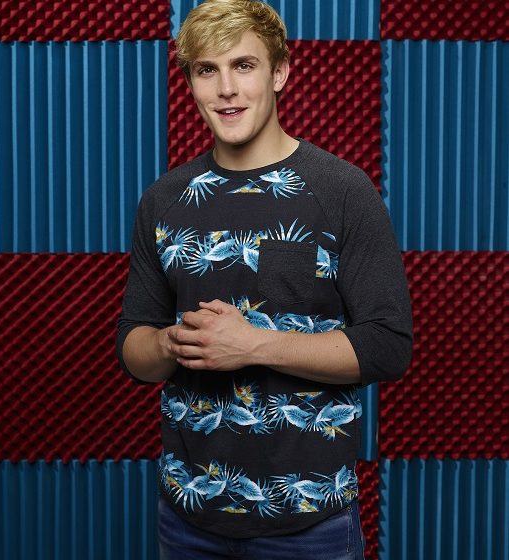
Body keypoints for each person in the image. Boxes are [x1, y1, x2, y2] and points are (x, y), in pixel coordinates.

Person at [116, 0, 412, 558]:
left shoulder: (343, 191)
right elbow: (134, 348)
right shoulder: (164, 200)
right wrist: (172, 343)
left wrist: (252, 345)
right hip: (186, 518)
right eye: (207, 70)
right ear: (191, 83)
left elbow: (388, 346)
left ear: (280, 73)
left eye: (244, 65)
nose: (226, 88)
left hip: (311, 526)